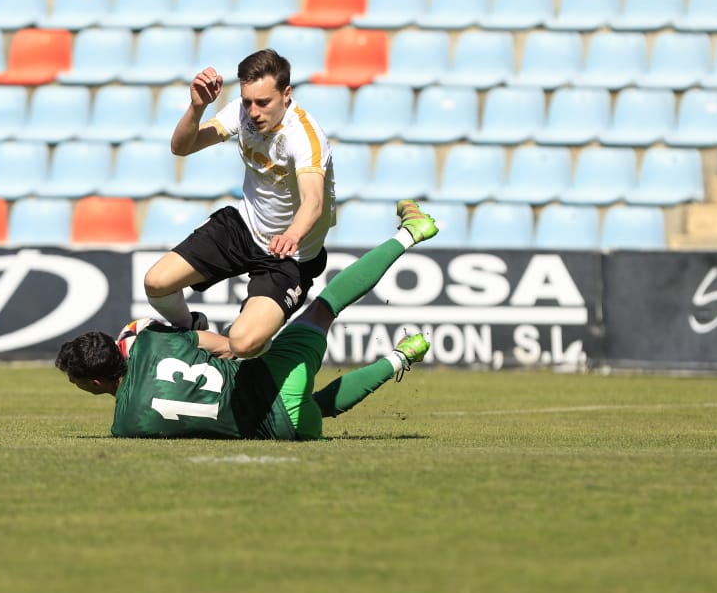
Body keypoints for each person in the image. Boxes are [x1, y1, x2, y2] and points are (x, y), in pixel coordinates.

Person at [56, 200, 438, 441]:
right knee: (326, 306)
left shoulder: (126, 427)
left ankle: (402, 358)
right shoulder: (153, 343)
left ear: (94, 382)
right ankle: (408, 234)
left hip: (283, 428)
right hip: (272, 372)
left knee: (316, 409)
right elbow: (218, 345)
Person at [143, 48, 335, 358]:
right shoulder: (241, 112)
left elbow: (313, 202)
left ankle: (237, 348)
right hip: (243, 227)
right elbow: (181, 147)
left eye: (263, 102)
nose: (254, 111)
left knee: (243, 344)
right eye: (248, 101)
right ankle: (192, 329)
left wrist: (292, 234)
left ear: (286, 94)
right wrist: (196, 107)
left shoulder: (306, 136)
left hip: (290, 254)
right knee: (156, 283)